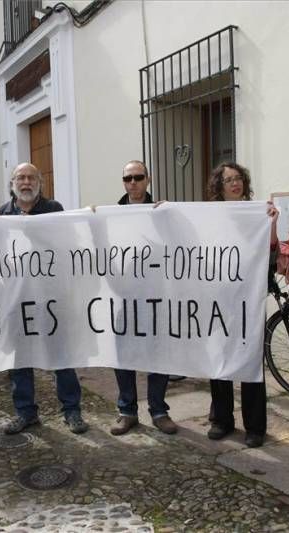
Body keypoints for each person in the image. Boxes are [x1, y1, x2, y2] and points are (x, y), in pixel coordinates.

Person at [0, 162, 89, 435]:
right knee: (20, 361)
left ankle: (72, 411)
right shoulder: (2, 214)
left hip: (51, 298)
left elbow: (67, 246)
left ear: (40, 182)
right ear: (13, 183)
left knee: (61, 357)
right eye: (21, 178)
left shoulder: (54, 210)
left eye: (31, 178)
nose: (26, 182)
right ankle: (26, 413)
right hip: (18, 299)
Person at [205, 162, 278, 448]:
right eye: (228, 180)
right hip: (219, 299)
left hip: (248, 299)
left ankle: (255, 427)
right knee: (219, 361)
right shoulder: (211, 216)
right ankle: (221, 419)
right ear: (219, 187)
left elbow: (271, 250)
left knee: (249, 363)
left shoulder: (259, 212)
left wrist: (271, 223)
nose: (235, 184)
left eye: (238, 179)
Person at [110, 160, 177, 436]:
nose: (133, 182)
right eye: (128, 178)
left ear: (148, 179)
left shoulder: (161, 212)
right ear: (123, 182)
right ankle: (127, 411)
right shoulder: (111, 215)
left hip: (155, 294)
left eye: (138, 177)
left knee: (158, 353)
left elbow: (178, 242)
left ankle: (158, 410)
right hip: (123, 295)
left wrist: (171, 216)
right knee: (123, 354)